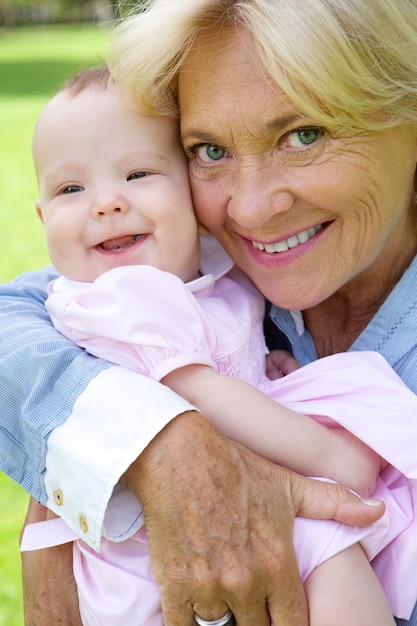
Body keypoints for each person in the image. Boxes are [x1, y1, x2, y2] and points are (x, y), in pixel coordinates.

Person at [2, 0, 417, 624]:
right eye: (209, 150)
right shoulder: (197, 260)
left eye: (304, 135)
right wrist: (157, 445)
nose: (248, 211)